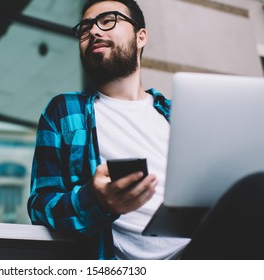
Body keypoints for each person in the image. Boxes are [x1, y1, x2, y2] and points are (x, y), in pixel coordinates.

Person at [27, 0, 264, 260]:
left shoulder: (177, 115)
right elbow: (40, 206)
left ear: (141, 37)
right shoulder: (64, 110)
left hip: (202, 251)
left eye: (107, 20)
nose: (93, 31)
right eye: (85, 28)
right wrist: (95, 201)